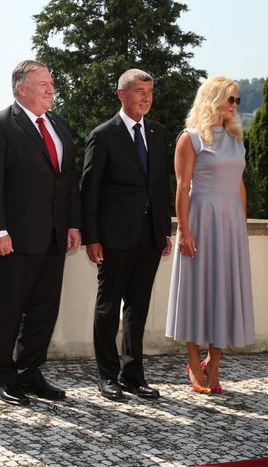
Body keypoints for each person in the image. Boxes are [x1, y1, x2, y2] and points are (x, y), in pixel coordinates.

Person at [0, 60, 81, 406]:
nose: (52, 89)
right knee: (7, 310)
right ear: (21, 88)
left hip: (53, 237)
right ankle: (3, 378)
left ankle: (30, 372)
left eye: (52, 83)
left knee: (43, 310)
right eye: (43, 84)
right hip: (13, 240)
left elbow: (68, 182)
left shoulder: (60, 125)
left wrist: (73, 224)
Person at [81, 69, 172, 401]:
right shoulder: (103, 135)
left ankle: (133, 374)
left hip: (149, 237)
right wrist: (92, 238)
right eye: (139, 91)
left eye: (149, 91)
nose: (146, 97)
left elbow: (161, 186)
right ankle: (107, 377)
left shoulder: (159, 133)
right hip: (113, 238)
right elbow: (89, 191)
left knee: (138, 308)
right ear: (122, 94)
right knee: (108, 308)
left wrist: (164, 230)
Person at [166, 76, 255, 394]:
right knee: (197, 291)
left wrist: (241, 226)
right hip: (201, 221)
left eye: (237, 101)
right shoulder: (190, 139)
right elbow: (181, 187)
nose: (234, 106)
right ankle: (193, 360)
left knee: (224, 292)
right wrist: (184, 230)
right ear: (213, 99)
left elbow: (240, 184)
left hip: (229, 223)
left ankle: (213, 364)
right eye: (230, 99)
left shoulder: (236, 139)